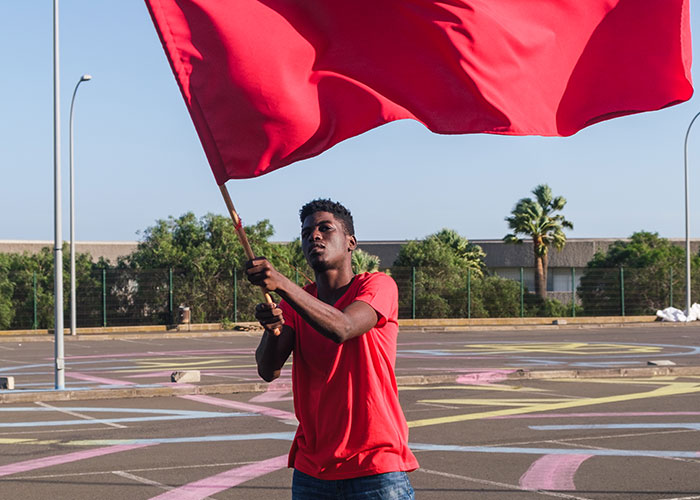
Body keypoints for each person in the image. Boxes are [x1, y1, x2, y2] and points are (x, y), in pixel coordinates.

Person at [246, 198, 418, 499]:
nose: (314, 236)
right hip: (312, 471)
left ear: (350, 242)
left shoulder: (377, 286)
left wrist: (284, 285)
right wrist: (272, 330)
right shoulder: (296, 304)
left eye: (325, 229)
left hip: (375, 466)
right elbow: (267, 370)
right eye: (306, 232)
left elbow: (344, 327)